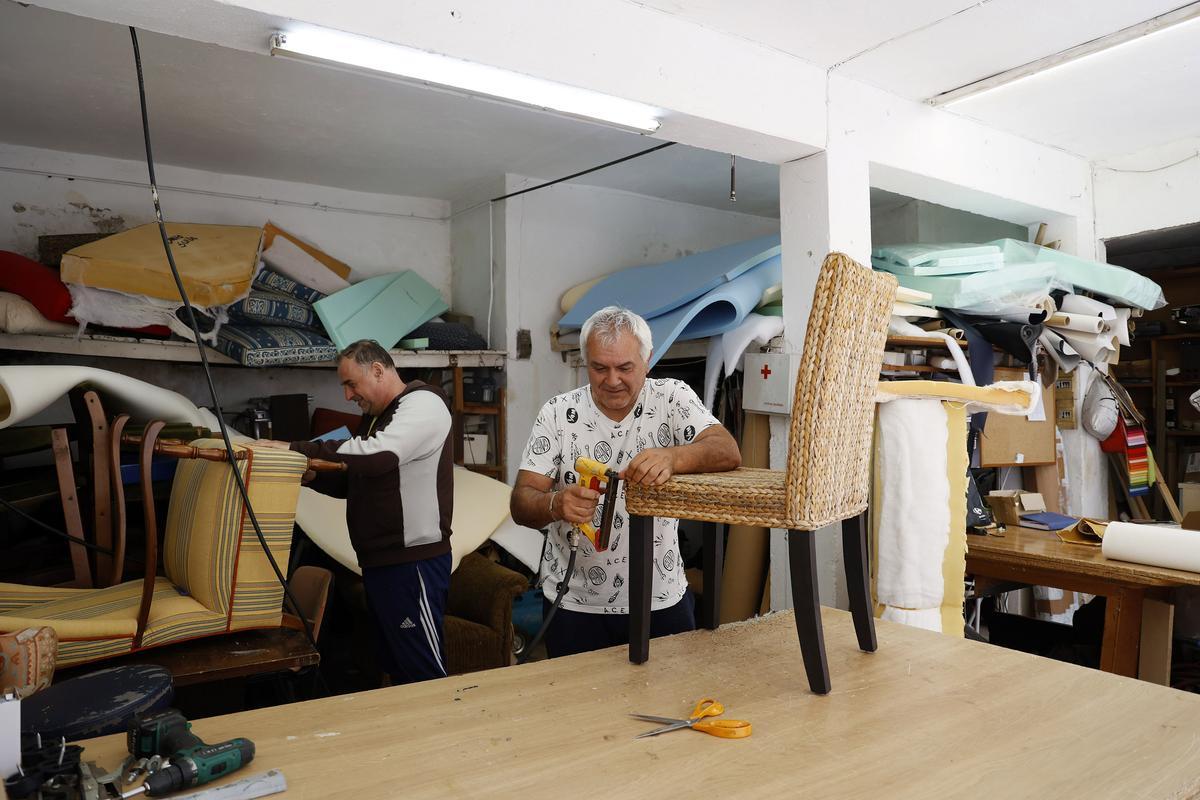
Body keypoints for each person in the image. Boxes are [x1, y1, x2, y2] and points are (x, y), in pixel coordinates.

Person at [510, 306, 741, 657]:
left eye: (625, 368)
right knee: (582, 708)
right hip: (575, 603)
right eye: (599, 368)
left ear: (647, 360)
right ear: (585, 362)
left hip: (660, 597)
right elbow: (521, 503)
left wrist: (673, 457)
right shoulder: (558, 413)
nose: (612, 380)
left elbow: (727, 451)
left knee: (669, 699)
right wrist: (554, 504)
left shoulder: (671, 398)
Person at [256, 339, 453, 685]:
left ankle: (444, 737)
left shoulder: (423, 404)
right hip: (382, 564)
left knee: (424, 674)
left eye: (351, 384)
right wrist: (309, 473)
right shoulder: (378, 419)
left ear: (378, 370)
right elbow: (356, 482)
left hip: (412, 563)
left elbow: (378, 456)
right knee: (395, 667)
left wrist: (294, 449)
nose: (348, 396)